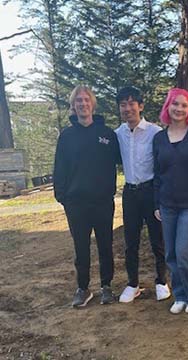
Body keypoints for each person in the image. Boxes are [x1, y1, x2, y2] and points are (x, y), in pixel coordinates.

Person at [54, 85, 121, 307]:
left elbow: (122, 160)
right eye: (78, 101)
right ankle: (83, 288)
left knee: (105, 245)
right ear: (73, 106)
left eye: (86, 100)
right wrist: (63, 197)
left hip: (102, 202)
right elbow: (59, 168)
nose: (83, 104)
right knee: (81, 247)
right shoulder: (66, 136)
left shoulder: (107, 134)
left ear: (92, 103)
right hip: (76, 203)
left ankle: (107, 287)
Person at [153, 88, 188, 315]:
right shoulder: (159, 138)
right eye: (175, 104)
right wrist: (156, 204)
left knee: (185, 251)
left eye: (184, 105)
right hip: (167, 204)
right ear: (168, 106)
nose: (179, 109)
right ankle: (181, 294)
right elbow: (156, 173)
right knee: (171, 255)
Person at [114, 86, 170, 303]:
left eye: (131, 103)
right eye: (123, 105)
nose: (127, 109)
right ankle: (133, 283)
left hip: (151, 192)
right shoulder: (117, 134)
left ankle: (161, 281)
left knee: (158, 239)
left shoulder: (155, 132)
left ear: (140, 106)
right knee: (131, 241)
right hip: (130, 193)